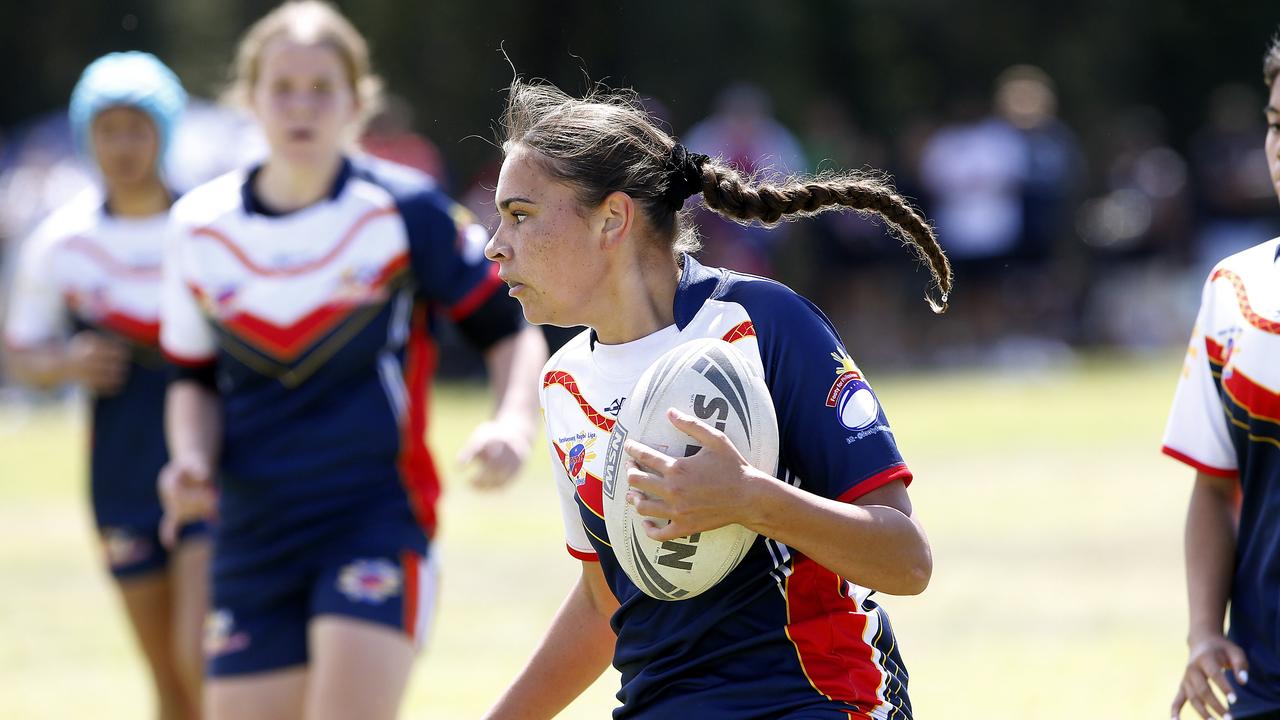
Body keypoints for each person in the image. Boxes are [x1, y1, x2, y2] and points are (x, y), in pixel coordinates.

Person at [482, 78, 951, 720]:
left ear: (612, 219)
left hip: (812, 702)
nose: (495, 244)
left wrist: (753, 501)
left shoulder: (761, 324)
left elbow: (905, 560)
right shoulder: (563, 383)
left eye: (521, 215)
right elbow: (602, 602)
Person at [155, 3, 547, 718]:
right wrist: (188, 460)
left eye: (321, 88)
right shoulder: (198, 227)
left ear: (357, 100)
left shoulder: (404, 212)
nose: (301, 106)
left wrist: (513, 423)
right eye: (282, 88)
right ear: (249, 98)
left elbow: (509, 328)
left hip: (373, 517)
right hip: (250, 533)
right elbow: (194, 378)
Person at [3, 52, 207, 719]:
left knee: (200, 658)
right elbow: (20, 354)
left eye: (138, 127)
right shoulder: (63, 240)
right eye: (107, 128)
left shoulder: (206, 225)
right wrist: (64, 364)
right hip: (117, 473)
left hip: (206, 464)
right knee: (168, 682)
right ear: (86, 134)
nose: (122, 145)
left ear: (166, 133)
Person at [1164, 33, 1280, 720]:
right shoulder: (1234, 291)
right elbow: (1213, 488)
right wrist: (1205, 631)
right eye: (1275, 124)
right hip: (1262, 681)